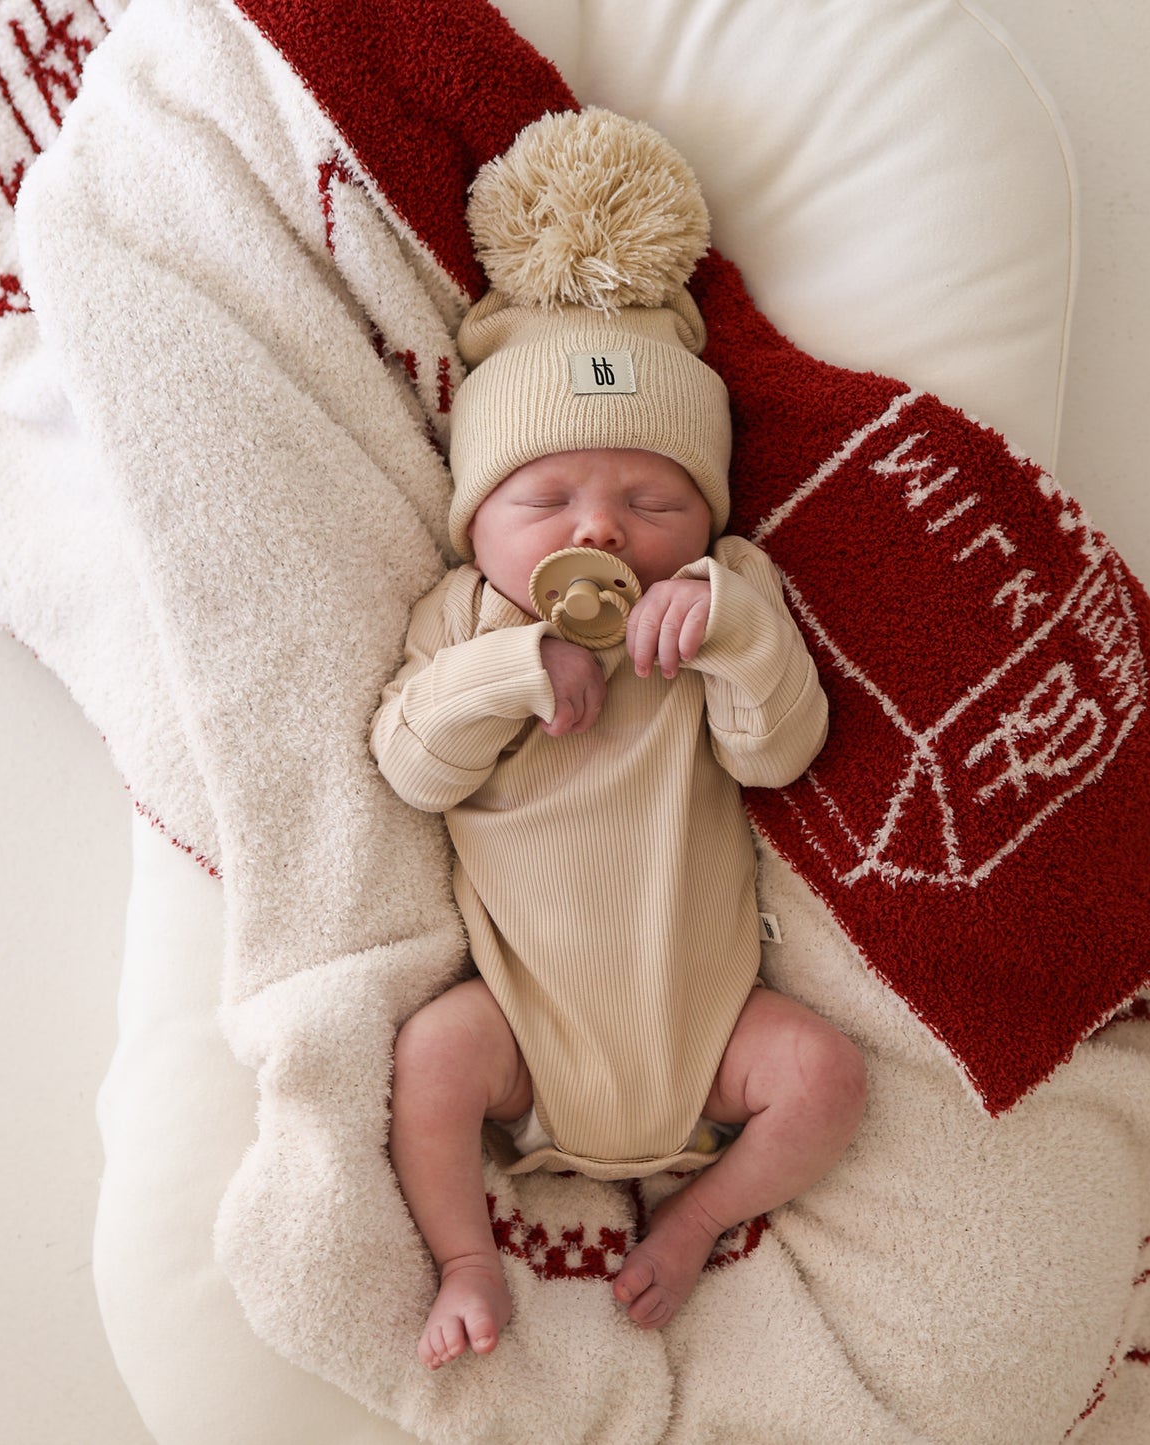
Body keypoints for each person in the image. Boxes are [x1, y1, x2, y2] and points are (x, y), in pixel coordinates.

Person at [370, 108, 866, 1372]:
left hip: (711, 1038)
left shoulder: (719, 599)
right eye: (543, 499)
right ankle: (465, 1256)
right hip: (523, 1034)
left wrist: (733, 630)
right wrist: (505, 671)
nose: (601, 528)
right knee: (430, 1053)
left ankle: (698, 1211)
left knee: (826, 1077)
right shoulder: (465, 617)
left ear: (701, 513)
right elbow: (408, 763)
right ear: (478, 519)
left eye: (651, 500)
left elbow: (779, 755)